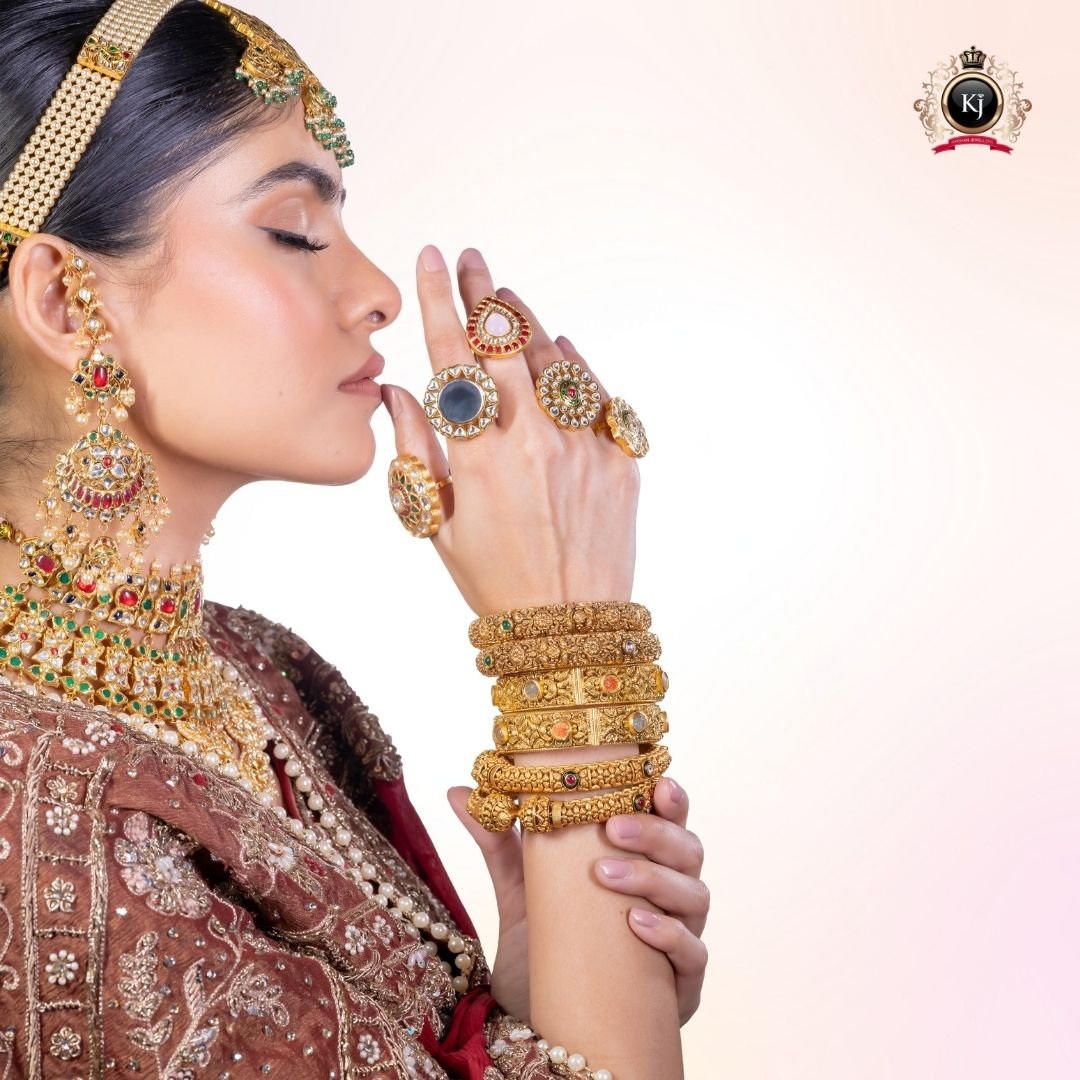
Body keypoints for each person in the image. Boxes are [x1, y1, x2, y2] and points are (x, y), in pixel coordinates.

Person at [0, 1, 710, 1077]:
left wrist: (540, 991)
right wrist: (562, 643)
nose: (377, 294)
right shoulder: (45, 805)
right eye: (294, 230)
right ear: (63, 298)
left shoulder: (265, 671)